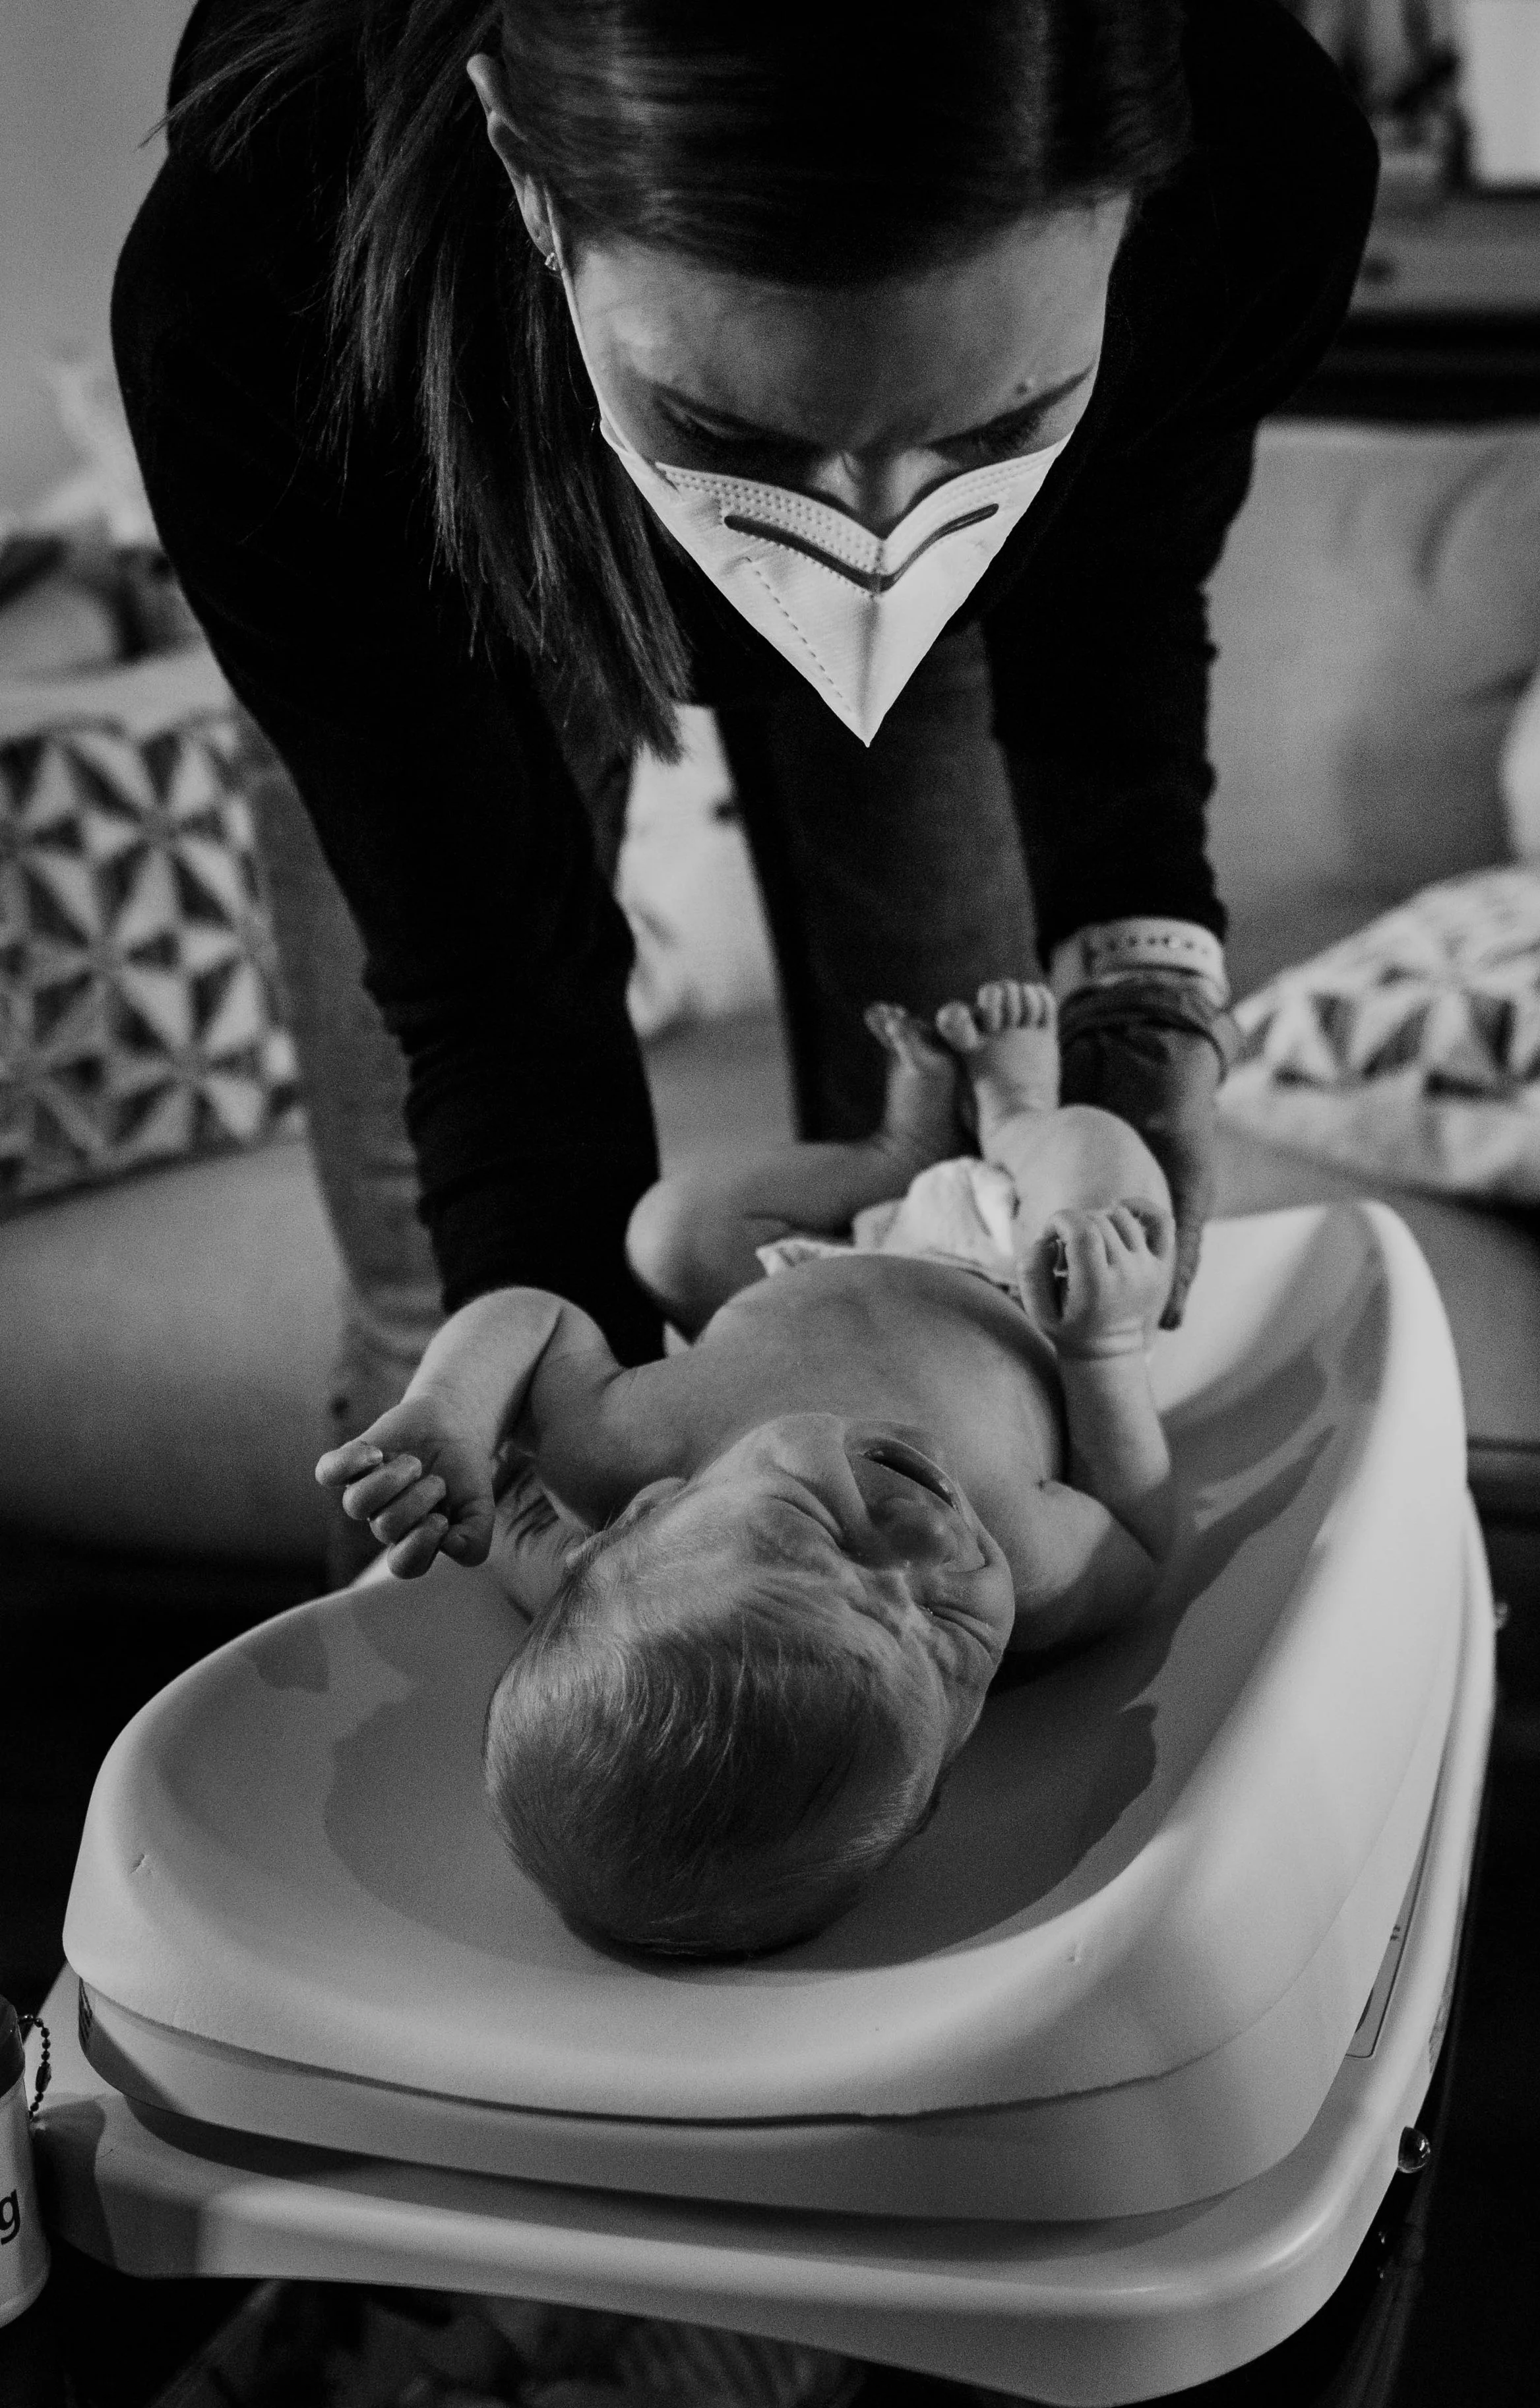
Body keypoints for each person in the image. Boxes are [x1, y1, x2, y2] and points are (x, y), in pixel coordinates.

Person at [113, 1, 1376, 1474]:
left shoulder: (1260, 162)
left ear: (1143, 205)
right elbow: (490, 993)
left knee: (963, 1270)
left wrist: (1139, 984)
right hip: (417, 464)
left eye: (992, 427)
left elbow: (1115, 582)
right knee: (451, 1332)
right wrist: (561, 1493)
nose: (871, 552)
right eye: (736, 437)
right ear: (524, 170)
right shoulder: (258, 274)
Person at [318, 983, 1176, 1954]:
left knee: (671, 1231)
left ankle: (892, 1157)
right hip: (1019, 1273)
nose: (929, 1544)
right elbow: (1142, 1532)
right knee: (1111, 1180)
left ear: (651, 1509)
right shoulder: (1033, 1560)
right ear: (937, 1774)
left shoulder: (629, 1443)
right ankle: (1022, 1110)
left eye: (818, 1530)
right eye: (946, 1637)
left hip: (818, 1256)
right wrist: (1104, 1350)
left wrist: (451, 1416)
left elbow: (535, 1322)